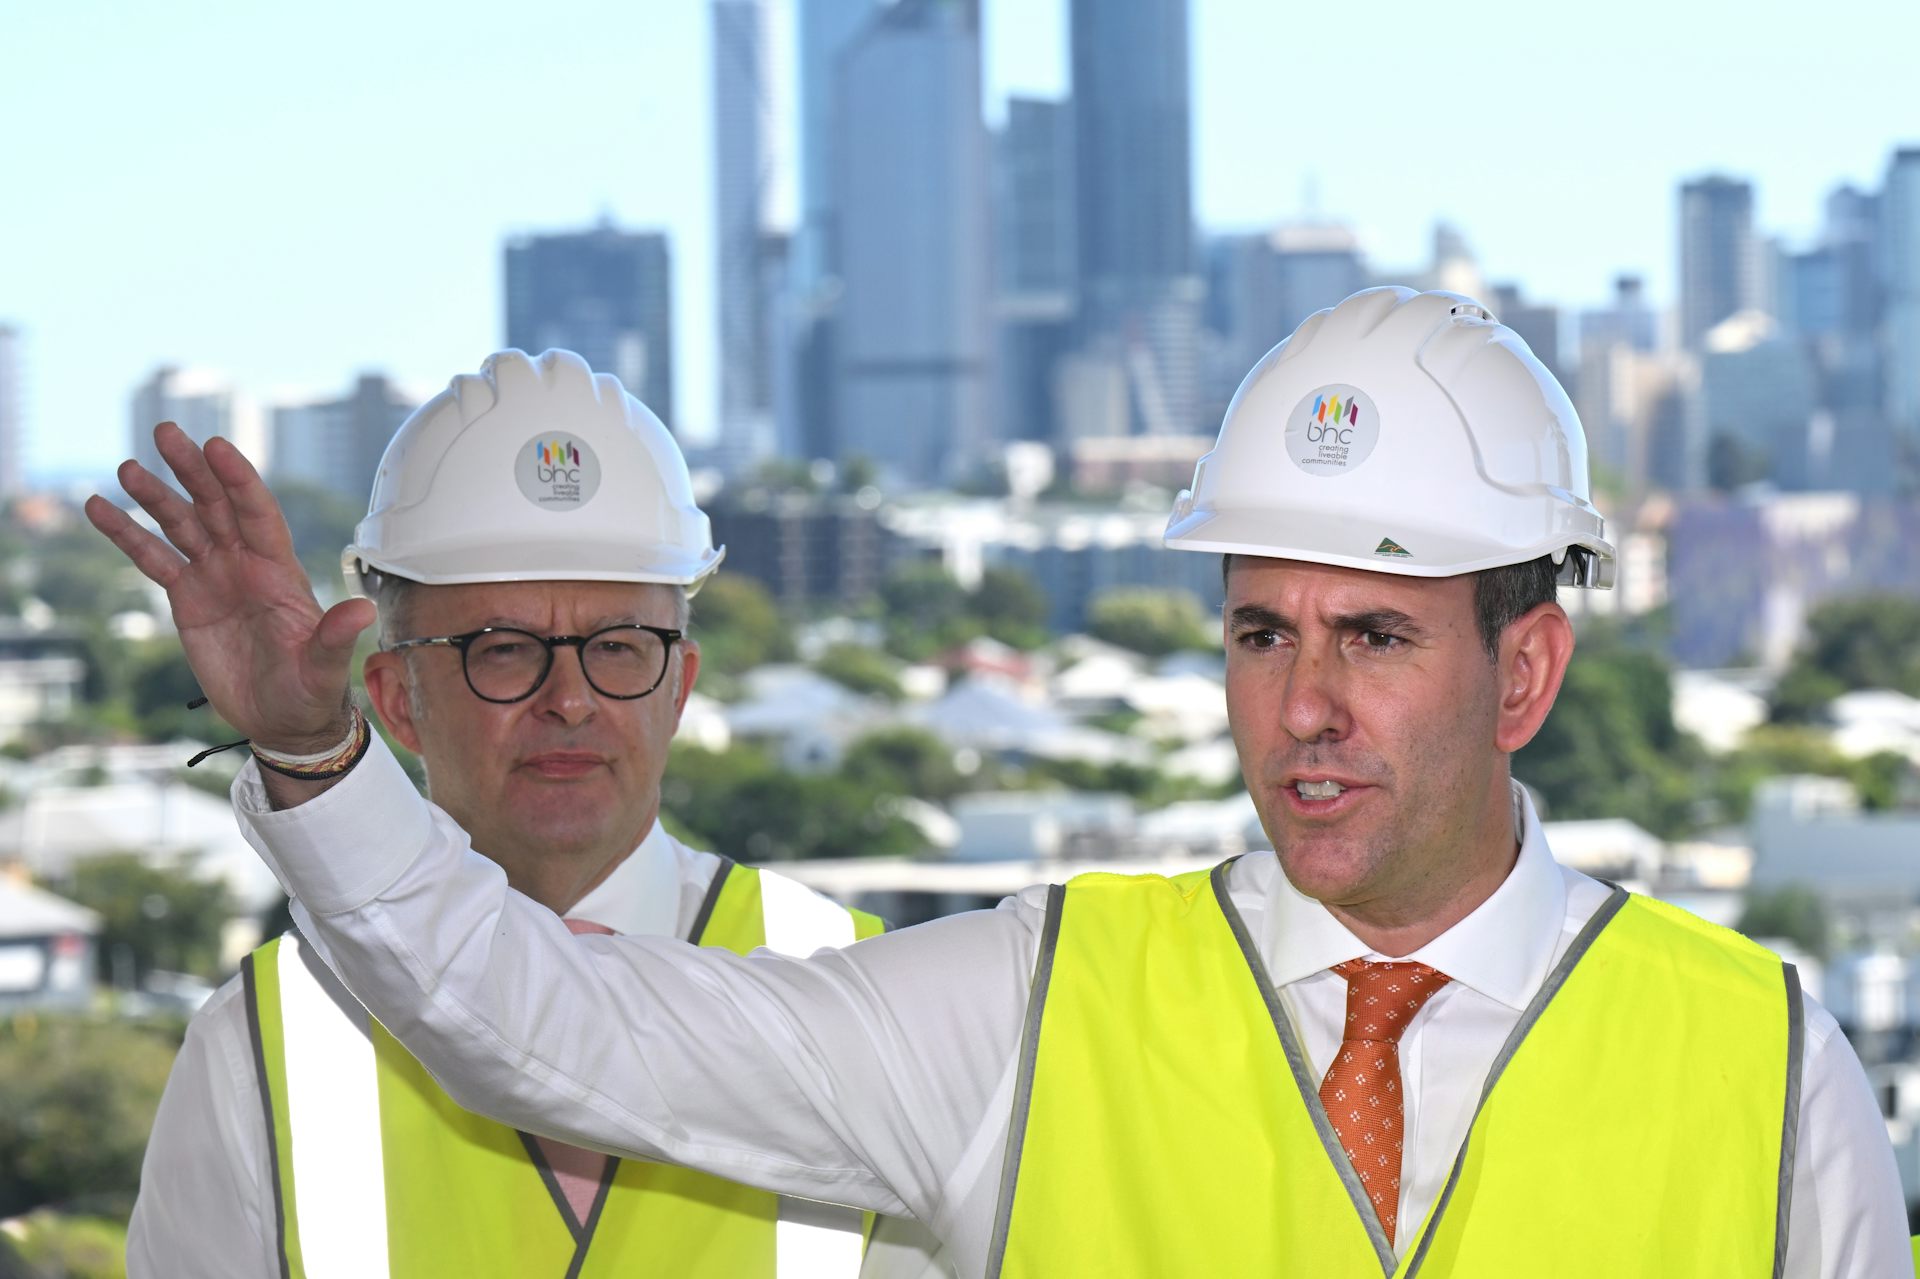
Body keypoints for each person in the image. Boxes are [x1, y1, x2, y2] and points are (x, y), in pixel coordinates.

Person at [92, 290, 1910, 1277]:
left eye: (1373, 635)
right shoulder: (1025, 1005)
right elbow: (535, 1014)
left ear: (1525, 669)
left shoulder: (1760, 1064)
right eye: (1261, 631)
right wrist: (318, 754)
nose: (1302, 709)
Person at [118, 349, 946, 1278]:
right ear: (394, 700)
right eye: (504, 649)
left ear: (679, 688)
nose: (571, 698)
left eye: (622, 647)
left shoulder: (859, 983)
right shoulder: (268, 1047)